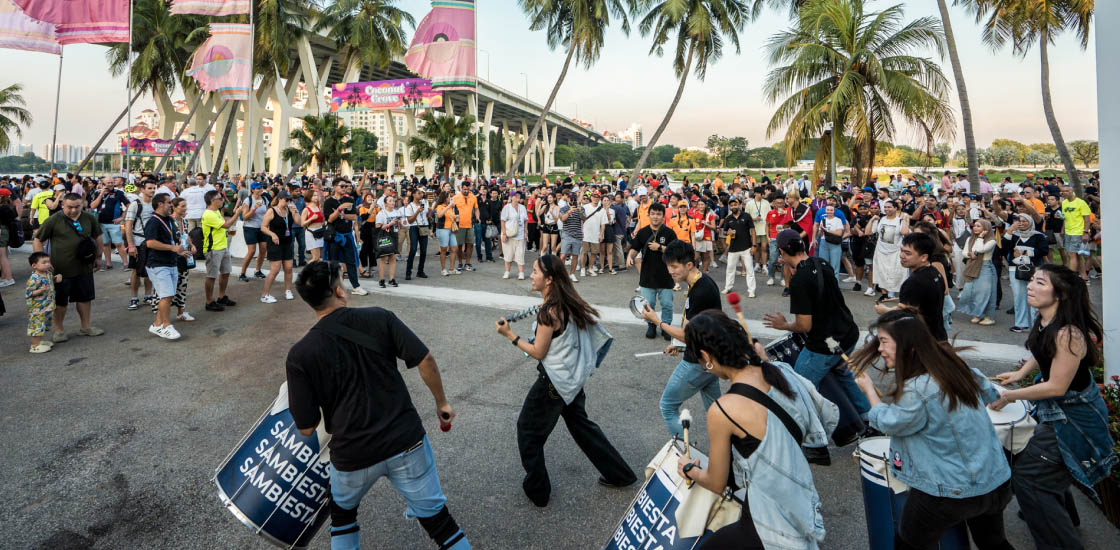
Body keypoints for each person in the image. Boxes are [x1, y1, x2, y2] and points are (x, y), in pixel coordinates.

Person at [286, 261, 471, 550]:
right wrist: (441, 403)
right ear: (339, 291)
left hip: (352, 454)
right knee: (439, 522)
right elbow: (425, 359)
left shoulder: (300, 354)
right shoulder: (379, 318)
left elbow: (307, 428)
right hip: (406, 442)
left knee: (343, 516)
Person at [852, 310, 1015, 550]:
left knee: (908, 544)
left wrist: (867, 390)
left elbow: (890, 423)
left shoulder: (917, 389)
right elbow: (990, 392)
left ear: (909, 345)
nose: (879, 349)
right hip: (994, 480)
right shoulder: (956, 366)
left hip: (948, 492)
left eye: (884, 341)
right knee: (993, 543)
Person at [677, 311, 835, 549]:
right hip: (799, 495)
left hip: (767, 519)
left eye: (699, 360)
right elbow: (826, 417)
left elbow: (716, 483)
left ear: (706, 356)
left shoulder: (723, 409)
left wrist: (689, 469)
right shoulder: (780, 370)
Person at [495, 254, 636, 507]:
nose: (531, 275)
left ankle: (538, 491)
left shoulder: (549, 312)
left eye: (536, 271)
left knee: (528, 432)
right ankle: (621, 475)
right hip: (570, 382)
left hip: (553, 384)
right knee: (584, 429)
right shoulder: (566, 303)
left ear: (549, 280)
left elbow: (538, 351)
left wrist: (510, 335)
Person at [993, 265, 1114, 549]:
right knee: (1040, 468)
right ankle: (1063, 515)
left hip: (1074, 418)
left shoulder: (1068, 334)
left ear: (1060, 294)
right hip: (1056, 411)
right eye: (1032, 280)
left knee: (1029, 478)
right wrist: (1021, 374)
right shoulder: (1046, 319)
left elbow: (1057, 387)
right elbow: (1042, 351)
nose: (1030, 286)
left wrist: (1011, 396)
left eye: (1039, 282)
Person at [763, 229, 869, 464]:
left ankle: (815, 445)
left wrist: (783, 325)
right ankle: (869, 421)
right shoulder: (820, 263)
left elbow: (804, 324)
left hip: (823, 344)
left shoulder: (800, 280)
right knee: (844, 374)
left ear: (781, 251)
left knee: (798, 389)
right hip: (846, 334)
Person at [639, 240, 722, 438]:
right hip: (709, 358)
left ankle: (688, 456)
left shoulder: (701, 290)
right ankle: (730, 456)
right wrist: (680, 345)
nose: (670, 271)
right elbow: (701, 329)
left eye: (674, 266)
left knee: (667, 406)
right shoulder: (701, 282)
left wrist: (658, 322)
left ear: (689, 265)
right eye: (668, 266)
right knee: (718, 412)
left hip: (699, 361)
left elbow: (689, 334)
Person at [32, 193, 105, 342]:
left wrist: (98, 257)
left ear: (82, 205)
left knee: (85, 298)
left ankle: (86, 327)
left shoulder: (89, 218)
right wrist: (41, 263)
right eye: (70, 207)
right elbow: (38, 239)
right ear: (62, 205)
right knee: (60, 301)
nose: (73, 210)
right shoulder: (54, 220)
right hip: (59, 269)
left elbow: (98, 236)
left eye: (77, 207)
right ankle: (59, 330)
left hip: (84, 267)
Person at [876, 233, 948, 341]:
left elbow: (904, 314)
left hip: (923, 341)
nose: (902, 255)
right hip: (938, 335)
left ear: (924, 257)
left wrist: (884, 311)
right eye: (901, 251)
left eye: (907, 253)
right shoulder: (934, 272)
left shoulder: (914, 282)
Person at [144, 193, 191, 340]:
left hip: (171, 262)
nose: (171, 205)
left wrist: (180, 250)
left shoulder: (168, 220)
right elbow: (150, 243)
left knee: (168, 295)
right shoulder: (153, 221)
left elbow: (173, 239)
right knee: (165, 296)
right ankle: (166, 326)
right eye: (169, 202)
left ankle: (157, 325)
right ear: (160, 204)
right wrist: (172, 248)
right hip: (158, 264)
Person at [628, 202, 677, 340]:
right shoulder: (643, 232)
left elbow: (675, 251)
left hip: (666, 276)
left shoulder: (669, 233)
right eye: (653, 214)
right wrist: (629, 257)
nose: (655, 217)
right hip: (647, 276)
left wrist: (660, 247)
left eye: (659, 214)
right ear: (649, 215)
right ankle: (651, 326)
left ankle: (666, 327)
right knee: (648, 304)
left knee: (667, 305)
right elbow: (634, 248)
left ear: (663, 217)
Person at [151, 198, 196, 323]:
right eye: (182, 206)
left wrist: (191, 245)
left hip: (184, 256)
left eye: (185, 206)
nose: (185, 209)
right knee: (166, 289)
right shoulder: (169, 221)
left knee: (182, 284)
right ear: (174, 207)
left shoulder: (184, 221)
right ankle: (160, 318)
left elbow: (186, 236)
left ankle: (181, 312)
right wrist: (177, 250)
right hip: (171, 258)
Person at [1005, 213, 1049, 333]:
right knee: (1019, 296)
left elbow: (1044, 250)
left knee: (1035, 296)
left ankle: (1036, 324)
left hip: (1034, 269)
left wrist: (1026, 252)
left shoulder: (1038, 236)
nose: (1022, 223)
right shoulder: (1014, 235)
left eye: (1025, 221)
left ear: (1030, 221)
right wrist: (1009, 231)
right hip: (1015, 268)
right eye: (1019, 221)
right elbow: (1004, 247)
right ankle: (1021, 324)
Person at [323, 181, 368, 295]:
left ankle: (356, 286)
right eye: (342, 186)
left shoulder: (349, 200)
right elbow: (330, 219)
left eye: (346, 186)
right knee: (334, 263)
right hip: (334, 236)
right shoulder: (329, 202)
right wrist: (340, 208)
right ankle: (334, 287)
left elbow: (354, 217)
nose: (344, 188)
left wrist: (340, 214)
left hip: (347, 235)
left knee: (351, 261)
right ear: (334, 187)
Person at [259, 191, 301, 302]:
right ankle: (265, 295)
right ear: (279, 199)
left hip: (287, 242)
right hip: (275, 243)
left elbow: (299, 222)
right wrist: (272, 234)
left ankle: (288, 290)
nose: (288, 202)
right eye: (286, 200)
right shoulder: (271, 211)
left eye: (289, 200)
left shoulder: (290, 210)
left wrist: (295, 212)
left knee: (288, 268)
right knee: (275, 270)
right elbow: (263, 227)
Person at [201, 190, 238, 312]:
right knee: (212, 276)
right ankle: (209, 301)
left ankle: (221, 296)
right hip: (213, 249)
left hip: (223, 246)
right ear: (212, 201)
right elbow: (226, 225)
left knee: (226, 272)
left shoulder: (216, 211)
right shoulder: (208, 214)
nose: (223, 199)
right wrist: (237, 213)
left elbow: (224, 225)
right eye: (220, 198)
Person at [957, 218, 998, 326]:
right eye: (974, 226)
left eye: (979, 226)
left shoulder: (991, 240)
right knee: (971, 291)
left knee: (986, 293)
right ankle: (977, 314)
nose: (975, 227)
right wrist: (970, 254)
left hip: (986, 267)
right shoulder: (970, 238)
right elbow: (964, 252)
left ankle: (989, 317)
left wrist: (980, 237)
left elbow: (981, 250)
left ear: (986, 228)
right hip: (972, 266)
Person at [124, 180, 156, 310]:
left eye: (154, 188)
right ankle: (134, 297)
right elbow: (128, 225)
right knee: (136, 271)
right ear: (142, 189)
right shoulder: (135, 205)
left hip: (151, 242)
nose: (152, 190)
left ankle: (148, 295)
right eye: (149, 188)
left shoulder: (155, 204)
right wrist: (131, 245)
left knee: (150, 270)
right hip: (138, 242)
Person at [867, 200, 909, 298]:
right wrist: (872, 220)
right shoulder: (881, 219)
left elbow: (905, 232)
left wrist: (904, 221)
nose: (887, 209)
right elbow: (868, 232)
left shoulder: (900, 220)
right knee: (881, 272)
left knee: (896, 272)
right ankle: (884, 294)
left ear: (895, 208)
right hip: (881, 251)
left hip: (895, 251)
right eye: (885, 207)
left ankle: (895, 292)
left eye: (889, 207)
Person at [89, 177, 129, 270]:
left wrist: (122, 217)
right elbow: (93, 206)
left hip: (114, 223)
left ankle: (125, 263)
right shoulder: (97, 192)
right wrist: (101, 193)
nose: (110, 184)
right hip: (101, 223)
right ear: (103, 184)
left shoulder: (119, 193)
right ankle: (108, 264)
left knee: (118, 243)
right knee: (105, 244)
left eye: (112, 182)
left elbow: (128, 205)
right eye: (108, 183)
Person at [720, 196, 757, 297]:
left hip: (747, 247)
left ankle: (751, 290)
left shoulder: (747, 216)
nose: (733, 206)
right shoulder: (728, 218)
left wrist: (754, 245)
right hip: (733, 248)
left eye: (735, 204)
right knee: (730, 269)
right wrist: (728, 232)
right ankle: (728, 287)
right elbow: (724, 232)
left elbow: (753, 231)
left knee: (749, 269)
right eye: (731, 205)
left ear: (740, 205)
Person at [25, 252, 59, 353]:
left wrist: (55, 278)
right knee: (37, 325)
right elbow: (29, 293)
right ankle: (35, 345)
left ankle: (40, 342)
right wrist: (40, 291)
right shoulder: (34, 278)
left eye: (48, 262)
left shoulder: (47, 273)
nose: (47, 264)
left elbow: (50, 282)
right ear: (34, 265)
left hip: (46, 305)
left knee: (43, 324)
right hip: (37, 308)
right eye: (44, 262)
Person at [1059, 185, 1092, 282]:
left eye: (1066, 191)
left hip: (1078, 232)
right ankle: (1084, 277)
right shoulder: (1064, 203)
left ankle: (1070, 278)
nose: (1064, 193)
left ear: (1072, 191)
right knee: (1077, 255)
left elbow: (1087, 220)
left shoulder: (1081, 203)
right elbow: (1065, 218)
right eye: (1063, 191)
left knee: (1071, 254)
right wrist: (1063, 229)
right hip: (1068, 232)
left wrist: (1085, 232)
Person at [237, 182, 269, 282]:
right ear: (252, 190)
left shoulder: (265, 199)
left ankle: (257, 270)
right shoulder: (248, 200)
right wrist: (254, 209)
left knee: (263, 250)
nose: (260, 190)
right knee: (252, 251)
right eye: (258, 188)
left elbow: (268, 213)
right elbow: (245, 217)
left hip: (262, 228)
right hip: (250, 227)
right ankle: (242, 273)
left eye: (261, 188)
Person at [374, 195, 403, 288]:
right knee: (383, 258)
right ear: (385, 203)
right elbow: (378, 227)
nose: (393, 202)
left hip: (394, 235)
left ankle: (391, 279)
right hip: (385, 237)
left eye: (393, 201)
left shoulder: (397, 212)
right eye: (390, 201)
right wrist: (390, 224)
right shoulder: (381, 213)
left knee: (393, 258)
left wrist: (399, 223)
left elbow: (400, 226)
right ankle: (381, 279)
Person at [500, 191, 528, 279]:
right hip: (509, 234)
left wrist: (526, 231)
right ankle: (507, 272)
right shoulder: (507, 208)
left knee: (520, 254)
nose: (517, 197)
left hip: (520, 234)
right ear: (511, 197)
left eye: (518, 196)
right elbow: (503, 221)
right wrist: (504, 234)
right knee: (508, 254)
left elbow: (526, 220)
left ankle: (521, 273)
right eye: (515, 196)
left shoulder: (522, 207)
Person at [403, 188, 430, 280]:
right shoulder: (409, 206)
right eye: (419, 193)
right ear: (413, 195)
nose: (421, 195)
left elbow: (427, 215)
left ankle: (420, 271)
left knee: (424, 251)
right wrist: (417, 211)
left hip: (424, 226)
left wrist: (429, 213)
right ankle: (408, 271)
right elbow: (410, 221)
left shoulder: (425, 203)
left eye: (422, 193)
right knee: (413, 249)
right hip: (414, 227)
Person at [453, 181, 479, 272]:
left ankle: (468, 263)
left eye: (468, 189)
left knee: (470, 244)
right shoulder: (455, 197)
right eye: (464, 189)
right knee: (459, 245)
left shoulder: (473, 197)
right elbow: (451, 209)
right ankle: (460, 263)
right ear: (461, 188)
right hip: (459, 225)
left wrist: (478, 217)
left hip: (470, 224)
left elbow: (476, 209)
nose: (466, 191)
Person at [433, 191, 461, 276]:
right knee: (444, 250)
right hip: (442, 229)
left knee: (454, 248)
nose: (450, 199)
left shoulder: (450, 208)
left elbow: (450, 217)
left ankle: (452, 268)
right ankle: (443, 269)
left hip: (451, 229)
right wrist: (449, 206)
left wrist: (456, 217)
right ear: (445, 198)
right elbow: (439, 215)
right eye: (449, 197)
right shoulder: (439, 206)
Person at [301, 188, 326, 263]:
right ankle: (306, 272)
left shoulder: (318, 207)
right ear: (309, 197)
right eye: (314, 196)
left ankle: (317, 272)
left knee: (321, 256)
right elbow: (302, 223)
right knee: (315, 258)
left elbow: (322, 220)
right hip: (311, 233)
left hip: (320, 232)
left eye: (316, 195)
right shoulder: (306, 209)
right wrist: (311, 218)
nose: (316, 197)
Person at [0, 188, 18, 287]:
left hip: (2, 233)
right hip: (7, 232)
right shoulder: (11, 206)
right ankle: (4, 277)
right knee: (4, 256)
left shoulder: (2, 208)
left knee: (2, 257)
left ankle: (9, 278)